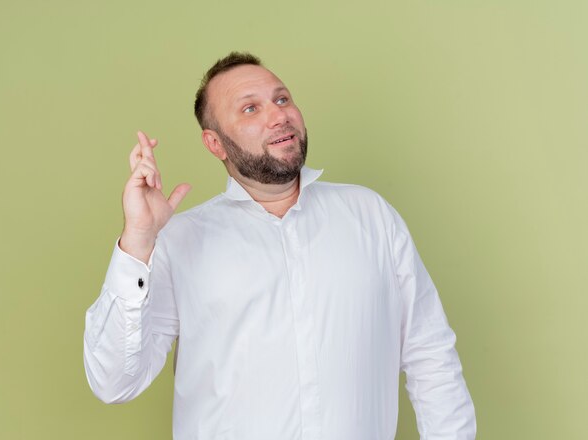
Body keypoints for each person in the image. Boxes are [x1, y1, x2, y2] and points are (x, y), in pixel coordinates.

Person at [84, 52, 476, 440]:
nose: (278, 115)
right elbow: (113, 382)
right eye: (251, 108)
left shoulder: (371, 216)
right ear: (215, 143)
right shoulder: (180, 240)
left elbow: (431, 357)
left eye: (282, 99)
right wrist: (138, 241)